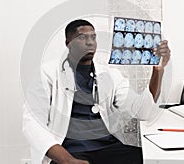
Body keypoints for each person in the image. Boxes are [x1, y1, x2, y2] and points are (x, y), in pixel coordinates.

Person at [23, 19, 171, 164]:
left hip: (108, 149)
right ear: (68, 43)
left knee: (154, 160)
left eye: (93, 37)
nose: (90, 42)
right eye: (82, 37)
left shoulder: (110, 75)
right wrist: (66, 160)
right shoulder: (47, 73)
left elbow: (142, 112)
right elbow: (32, 124)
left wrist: (158, 69)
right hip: (69, 152)